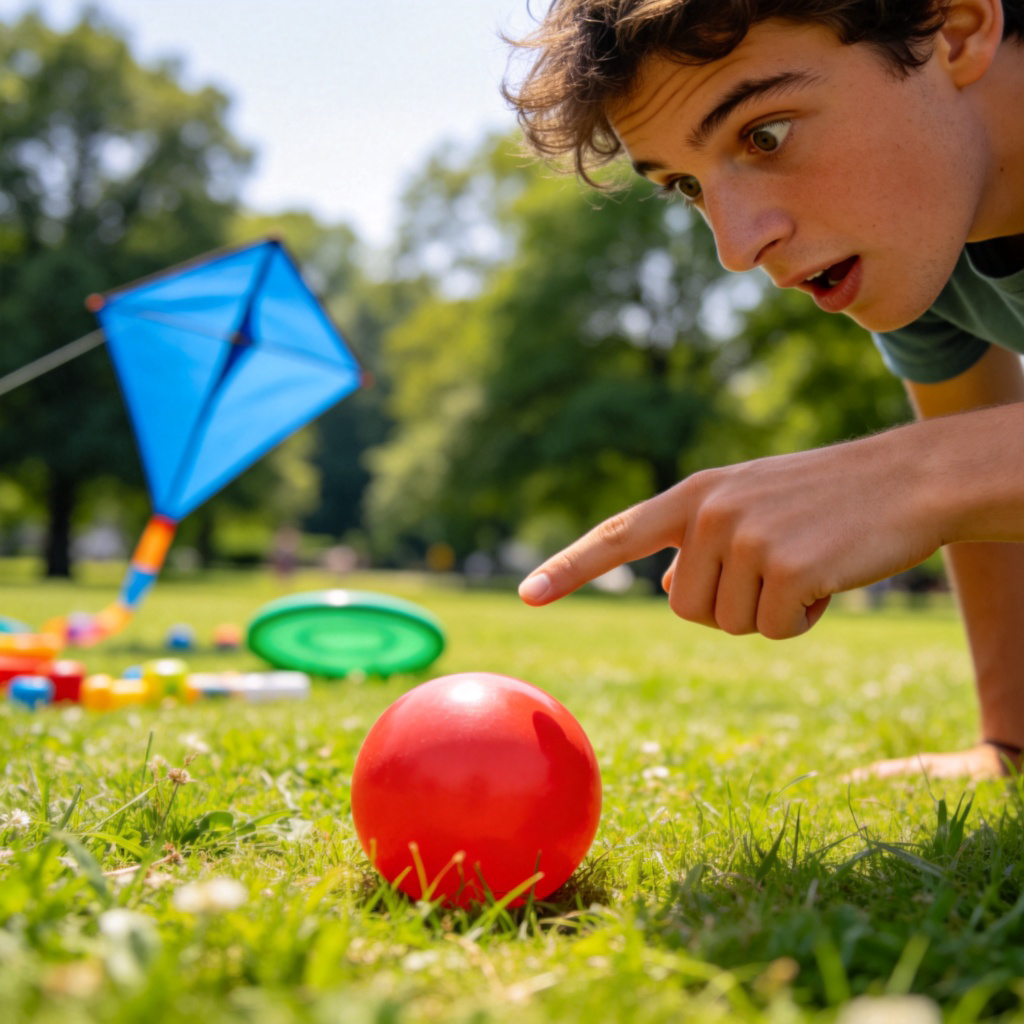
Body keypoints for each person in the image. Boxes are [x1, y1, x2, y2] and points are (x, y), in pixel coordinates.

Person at [503, 0, 1024, 779]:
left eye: (765, 134)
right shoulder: (922, 237)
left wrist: (908, 477)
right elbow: (982, 488)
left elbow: (952, 478)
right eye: (687, 185)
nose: (738, 246)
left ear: (954, 28)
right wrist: (1011, 742)